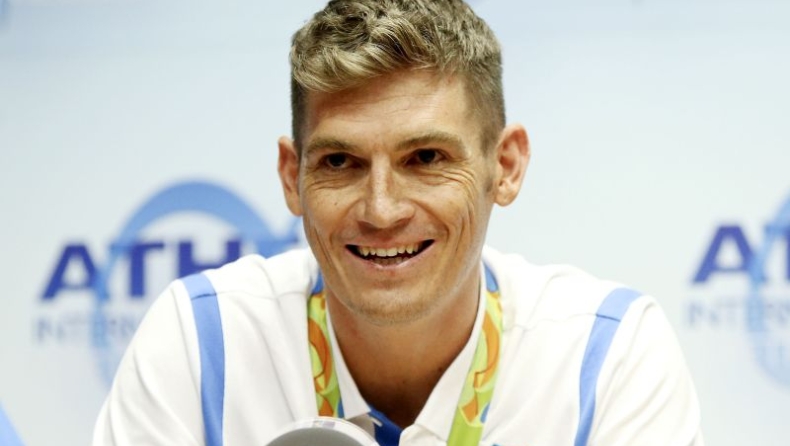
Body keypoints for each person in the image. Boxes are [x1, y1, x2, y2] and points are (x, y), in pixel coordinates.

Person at [93, 1, 704, 445]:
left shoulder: (608, 357)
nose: (382, 210)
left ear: (506, 166)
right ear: (291, 176)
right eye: (340, 162)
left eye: (426, 158)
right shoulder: (202, 344)